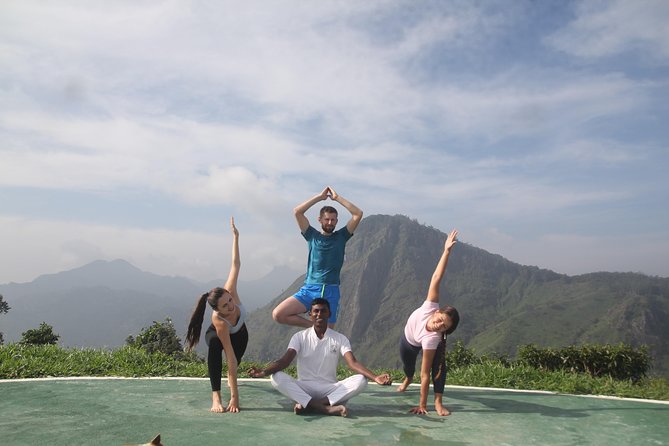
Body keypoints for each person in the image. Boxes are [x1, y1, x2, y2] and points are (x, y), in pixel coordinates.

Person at [250, 298, 391, 416]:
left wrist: (375, 377)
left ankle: (310, 404)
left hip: (329, 389)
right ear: (310, 314)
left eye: (323, 311)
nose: (319, 314)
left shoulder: (340, 338)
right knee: (276, 377)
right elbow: (285, 361)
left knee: (361, 380)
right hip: (305, 386)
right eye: (315, 311)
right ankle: (325, 408)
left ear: (329, 313)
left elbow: (352, 363)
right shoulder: (299, 337)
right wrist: (263, 372)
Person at [272, 186, 363, 328]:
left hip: (331, 290)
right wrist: (319, 197)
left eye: (333, 220)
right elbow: (297, 212)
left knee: (328, 335)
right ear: (319, 219)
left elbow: (357, 214)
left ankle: (322, 329)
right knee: (278, 314)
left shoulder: (341, 237)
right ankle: (314, 326)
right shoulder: (311, 236)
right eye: (327, 219)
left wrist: (337, 198)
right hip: (309, 288)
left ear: (337, 221)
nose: (330, 223)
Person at [186, 217, 247, 413]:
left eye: (230, 300)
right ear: (217, 310)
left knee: (235, 365)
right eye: (225, 306)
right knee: (215, 349)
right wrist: (234, 399)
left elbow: (235, 264)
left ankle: (231, 379)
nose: (230, 305)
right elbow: (227, 355)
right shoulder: (218, 320)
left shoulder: (231, 291)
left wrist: (236, 237)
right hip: (218, 334)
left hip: (240, 331)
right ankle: (216, 396)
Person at [398, 229, 460, 416]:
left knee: (438, 367)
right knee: (409, 367)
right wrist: (446, 251)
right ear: (436, 312)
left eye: (444, 327)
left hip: (423, 341)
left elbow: (425, 375)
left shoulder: (433, 338)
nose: (439, 325)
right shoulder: (430, 306)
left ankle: (438, 401)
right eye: (440, 320)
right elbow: (436, 278)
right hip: (408, 340)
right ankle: (408, 378)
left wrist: (422, 405)